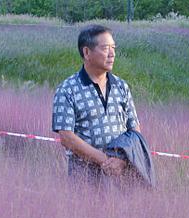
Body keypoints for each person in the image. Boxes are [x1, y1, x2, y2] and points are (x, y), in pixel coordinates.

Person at [52, 25, 141, 185]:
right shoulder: (67, 89)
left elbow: (134, 131)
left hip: (122, 176)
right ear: (87, 52)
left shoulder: (121, 87)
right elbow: (66, 137)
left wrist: (121, 161)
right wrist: (105, 161)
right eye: (106, 48)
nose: (112, 54)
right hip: (84, 178)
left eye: (113, 48)